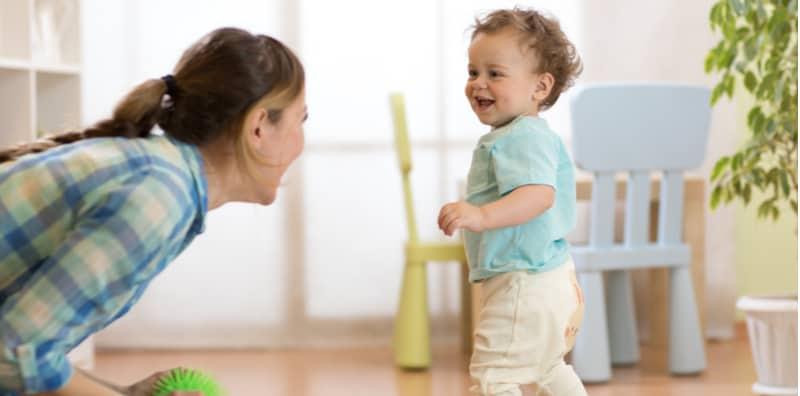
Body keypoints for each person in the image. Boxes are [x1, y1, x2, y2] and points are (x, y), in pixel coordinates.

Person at [0, 27, 307, 395]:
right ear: (258, 127)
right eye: (300, 120)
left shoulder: (161, 174)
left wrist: (125, 391)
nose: (300, 142)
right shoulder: (158, 197)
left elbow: (24, 352)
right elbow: (16, 354)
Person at [437, 8, 587, 396]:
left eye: (494, 73)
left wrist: (482, 214)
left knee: (493, 376)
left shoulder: (522, 136)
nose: (478, 84)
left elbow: (539, 195)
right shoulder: (525, 134)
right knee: (547, 368)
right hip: (546, 278)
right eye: (473, 72)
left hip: (524, 282)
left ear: (540, 87)